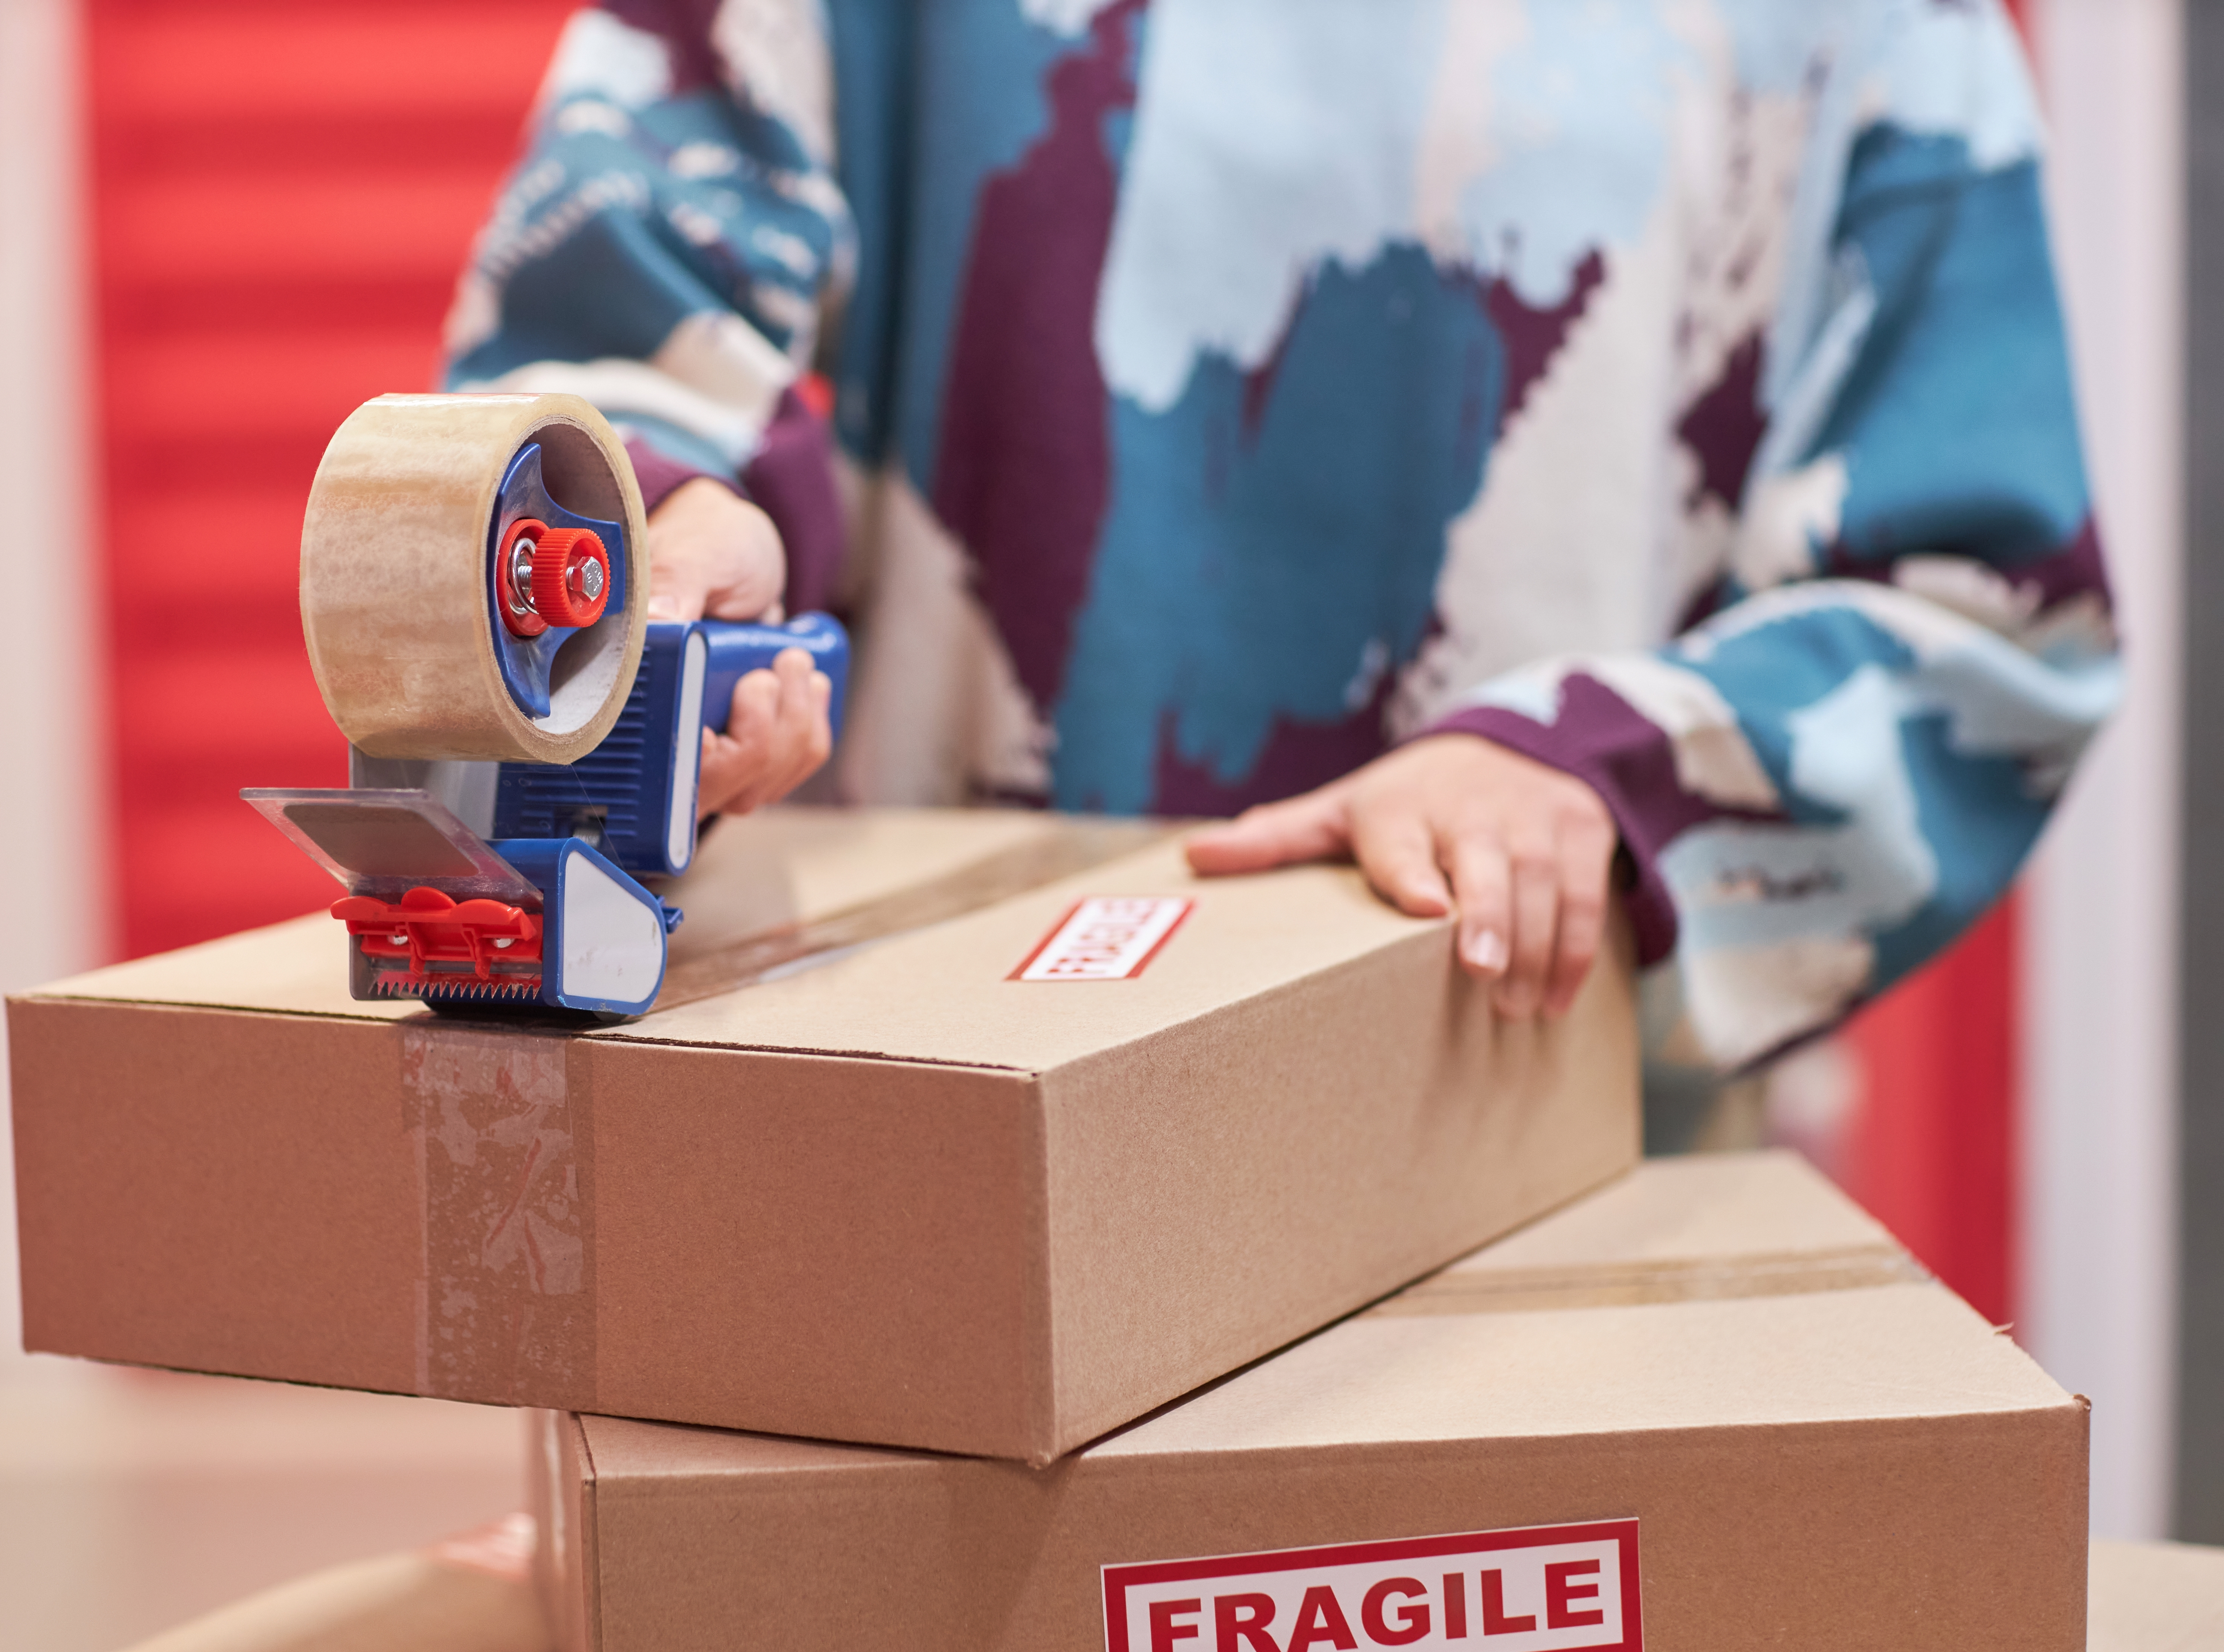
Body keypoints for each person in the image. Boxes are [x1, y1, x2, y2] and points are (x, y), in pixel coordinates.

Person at [439, 0, 2118, 1077]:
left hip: (1522, 1131)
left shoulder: (1874, 30)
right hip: (920, 1110)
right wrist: (668, 553)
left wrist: (1597, 771)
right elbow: (590, 350)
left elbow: (1988, 614)